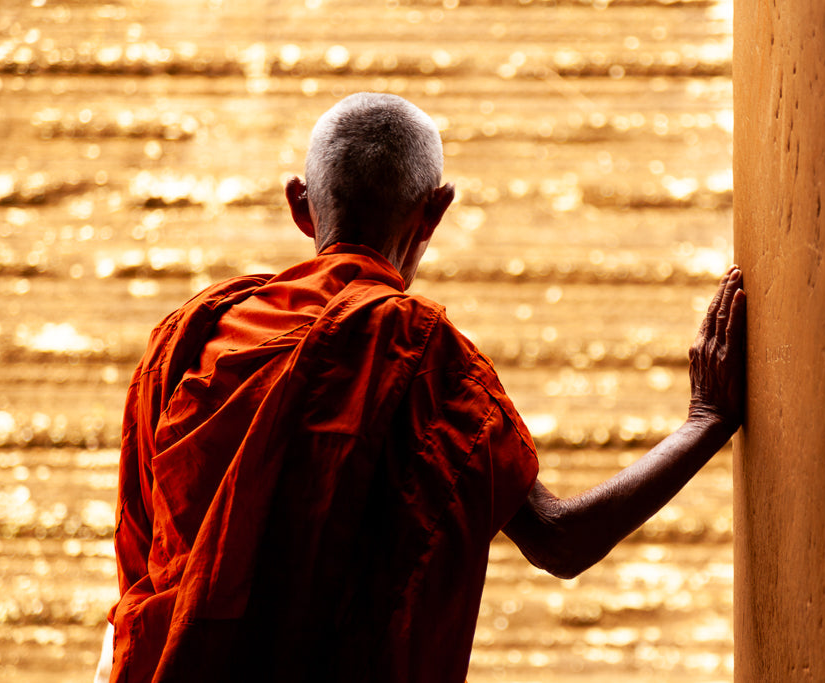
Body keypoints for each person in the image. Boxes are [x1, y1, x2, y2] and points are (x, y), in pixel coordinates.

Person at [102, 92, 746, 683]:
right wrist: (706, 419)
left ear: (300, 204)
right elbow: (561, 540)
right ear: (436, 210)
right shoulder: (422, 356)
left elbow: (138, 564)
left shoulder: (190, 337)